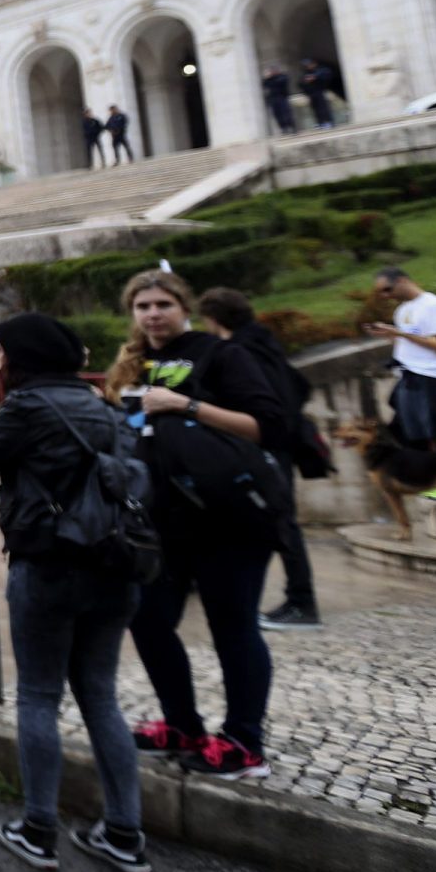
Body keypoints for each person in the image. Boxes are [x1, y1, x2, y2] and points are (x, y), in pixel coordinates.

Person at [0, 314, 149, 872]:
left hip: (49, 564)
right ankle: (125, 832)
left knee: (39, 696)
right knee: (101, 698)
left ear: (24, 357)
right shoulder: (107, 406)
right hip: (114, 564)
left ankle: (38, 830)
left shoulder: (29, 406)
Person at [106, 269, 287, 780]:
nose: (153, 314)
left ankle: (244, 743)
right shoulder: (135, 363)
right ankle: (182, 725)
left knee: (233, 625)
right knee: (145, 618)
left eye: (163, 303)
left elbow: (267, 426)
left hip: (229, 518)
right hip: (163, 523)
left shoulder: (220, 353)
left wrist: (186, 404)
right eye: (142, 307)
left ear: (183, 305)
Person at [197, 288, 322, 631]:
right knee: (279, 522)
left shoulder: (241, 350)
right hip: (281, 441)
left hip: (267, 445)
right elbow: (300, 386)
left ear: (213, 319)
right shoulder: (264, 343)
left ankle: (302, 602)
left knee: (282, 524)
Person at [366, 267, 436, 448]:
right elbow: (408, 344)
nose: (385, 296)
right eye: (381, 292)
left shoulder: (433, 305)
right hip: (408, 377)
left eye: (387, 289)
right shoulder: (402, 310)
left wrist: (400, 333)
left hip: (432, 376)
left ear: (401, 281)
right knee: (415, 437)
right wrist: (389, 335)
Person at [298, 57, 337, 130]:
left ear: (313, 64)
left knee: (323, 108)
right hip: (311, 93)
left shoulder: (321, 70)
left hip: (319, 91)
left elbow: (326, 73)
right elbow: (300, 83)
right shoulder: (305, 73)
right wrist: (305, 82)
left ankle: (329, 122)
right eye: (306, 65)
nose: (307, 66)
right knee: (316, 109)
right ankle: (320, 123)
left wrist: (315, 77)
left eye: (309, 64)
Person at [261, 64, 296, 135]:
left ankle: (292, 127)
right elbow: (264, 85)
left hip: (282, 97)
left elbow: (281, 82)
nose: (273, 72)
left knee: (286, 113)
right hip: (273, 98)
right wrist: (266, 78)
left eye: (274, 70)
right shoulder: (268, 79)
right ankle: (283, 128)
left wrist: (271, 79)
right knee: (277, 114)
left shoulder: (282, 76)